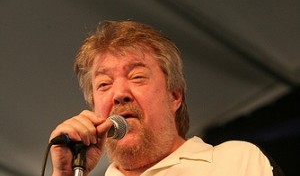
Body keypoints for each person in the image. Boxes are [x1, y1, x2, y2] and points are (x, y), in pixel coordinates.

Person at [49, 20, 274, 176]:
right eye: (104, 84)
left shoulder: (233, 161)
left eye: (137, 77)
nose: (119, 94)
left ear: (174, 96)